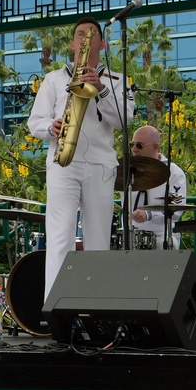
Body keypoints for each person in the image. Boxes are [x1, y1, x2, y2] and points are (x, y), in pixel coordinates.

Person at [28, 17, 134, 299]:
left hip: (101, 166)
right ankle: (55, 306)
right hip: (63, 162)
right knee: (59, 238)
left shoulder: (118, 79)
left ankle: (99, 305)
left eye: (92, 34)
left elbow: (125, 120)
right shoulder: (53, 79)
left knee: (98, 240)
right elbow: (34, 122)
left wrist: (101, 88)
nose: (85, 38)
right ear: (73, 44)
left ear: (102, 43)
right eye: (79, 34)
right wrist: (50, 127)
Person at [127, 125, 187, 249]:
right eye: (132, 144)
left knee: (164, 246)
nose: (134, 149)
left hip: (161, 235)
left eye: (139, 145)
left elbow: (176, 209)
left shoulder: (173, 172)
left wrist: (149, 215)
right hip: (131, 235)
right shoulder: (126, 171)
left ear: (156, 146)